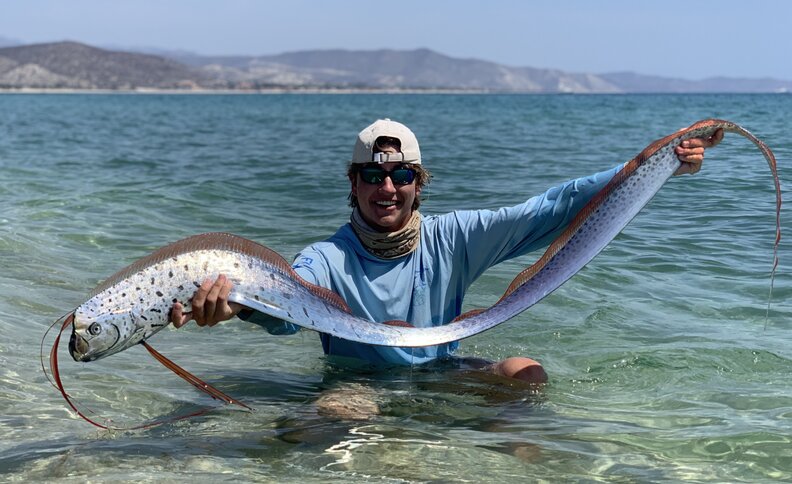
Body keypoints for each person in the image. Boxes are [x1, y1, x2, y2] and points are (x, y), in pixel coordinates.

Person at [171, 119, 723, 384]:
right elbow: (288, 303)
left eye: (401, 175)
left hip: (441, 371)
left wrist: (654, 163)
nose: (387, 188)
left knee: (526, 375)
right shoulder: (328, 258)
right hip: (359, 386)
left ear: (419, 181)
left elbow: (552, 209)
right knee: (336, 418)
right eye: (372, 175)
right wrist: (237, 304)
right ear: (354, 183)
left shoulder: (453, 237)